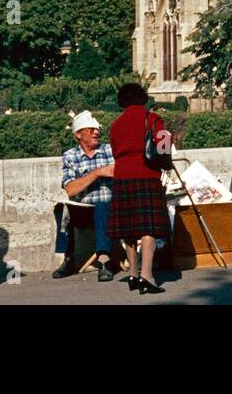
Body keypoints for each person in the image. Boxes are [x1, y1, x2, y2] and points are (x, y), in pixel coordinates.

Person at [108, 83, 169, 295]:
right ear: (143, 98)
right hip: (146, 175)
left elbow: (116, 152)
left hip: (123, 176)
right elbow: (164, 147)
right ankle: (147, 275)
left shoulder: (115, 125)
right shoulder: (152, 119)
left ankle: (133, 273)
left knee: (128, 228)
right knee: (148, 227)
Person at [53, 111, 116, 281]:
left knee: (101, 205)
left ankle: (104, 259)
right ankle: (69, 256)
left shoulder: (109, 150)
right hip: (84, 210)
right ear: (78, 134)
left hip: (110, 209)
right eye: (91, 129)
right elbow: (71, 189)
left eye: (97, 129)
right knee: (61, 209)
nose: (96, 132)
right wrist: (97, 173)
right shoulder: (70, 156)